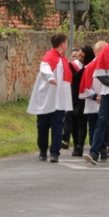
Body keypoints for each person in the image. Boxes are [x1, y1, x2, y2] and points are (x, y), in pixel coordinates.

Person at [27, 33, 72, 162]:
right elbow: (45, 68)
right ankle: (42, 150)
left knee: (58, 125)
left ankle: (55, 152)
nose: (67, 45)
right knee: (43, 125)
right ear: (63, 44)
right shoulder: (50, 56)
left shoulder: (62, 58)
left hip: (59, 99)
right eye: (66, 43)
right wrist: (50, 77)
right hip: (47, 98)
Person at [78, 40, 108, 160]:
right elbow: (84, 87)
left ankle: (103, 148)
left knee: (105, 126)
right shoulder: (90, 67)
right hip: (92, 102)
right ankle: (93, 148)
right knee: (93, 126)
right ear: (95, 52)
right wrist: (95, 96)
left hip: (105, 101)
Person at [68, 45, 95, 157]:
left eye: (82, 57)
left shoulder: (91, 66)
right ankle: (75, 145)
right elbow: (72, 78)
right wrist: (84, 69)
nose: (79, 59)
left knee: (82, 122)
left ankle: (80, 145)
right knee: (74, 122)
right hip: (74, 96)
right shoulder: (72, 65)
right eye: (79, 56)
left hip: (85, 96)